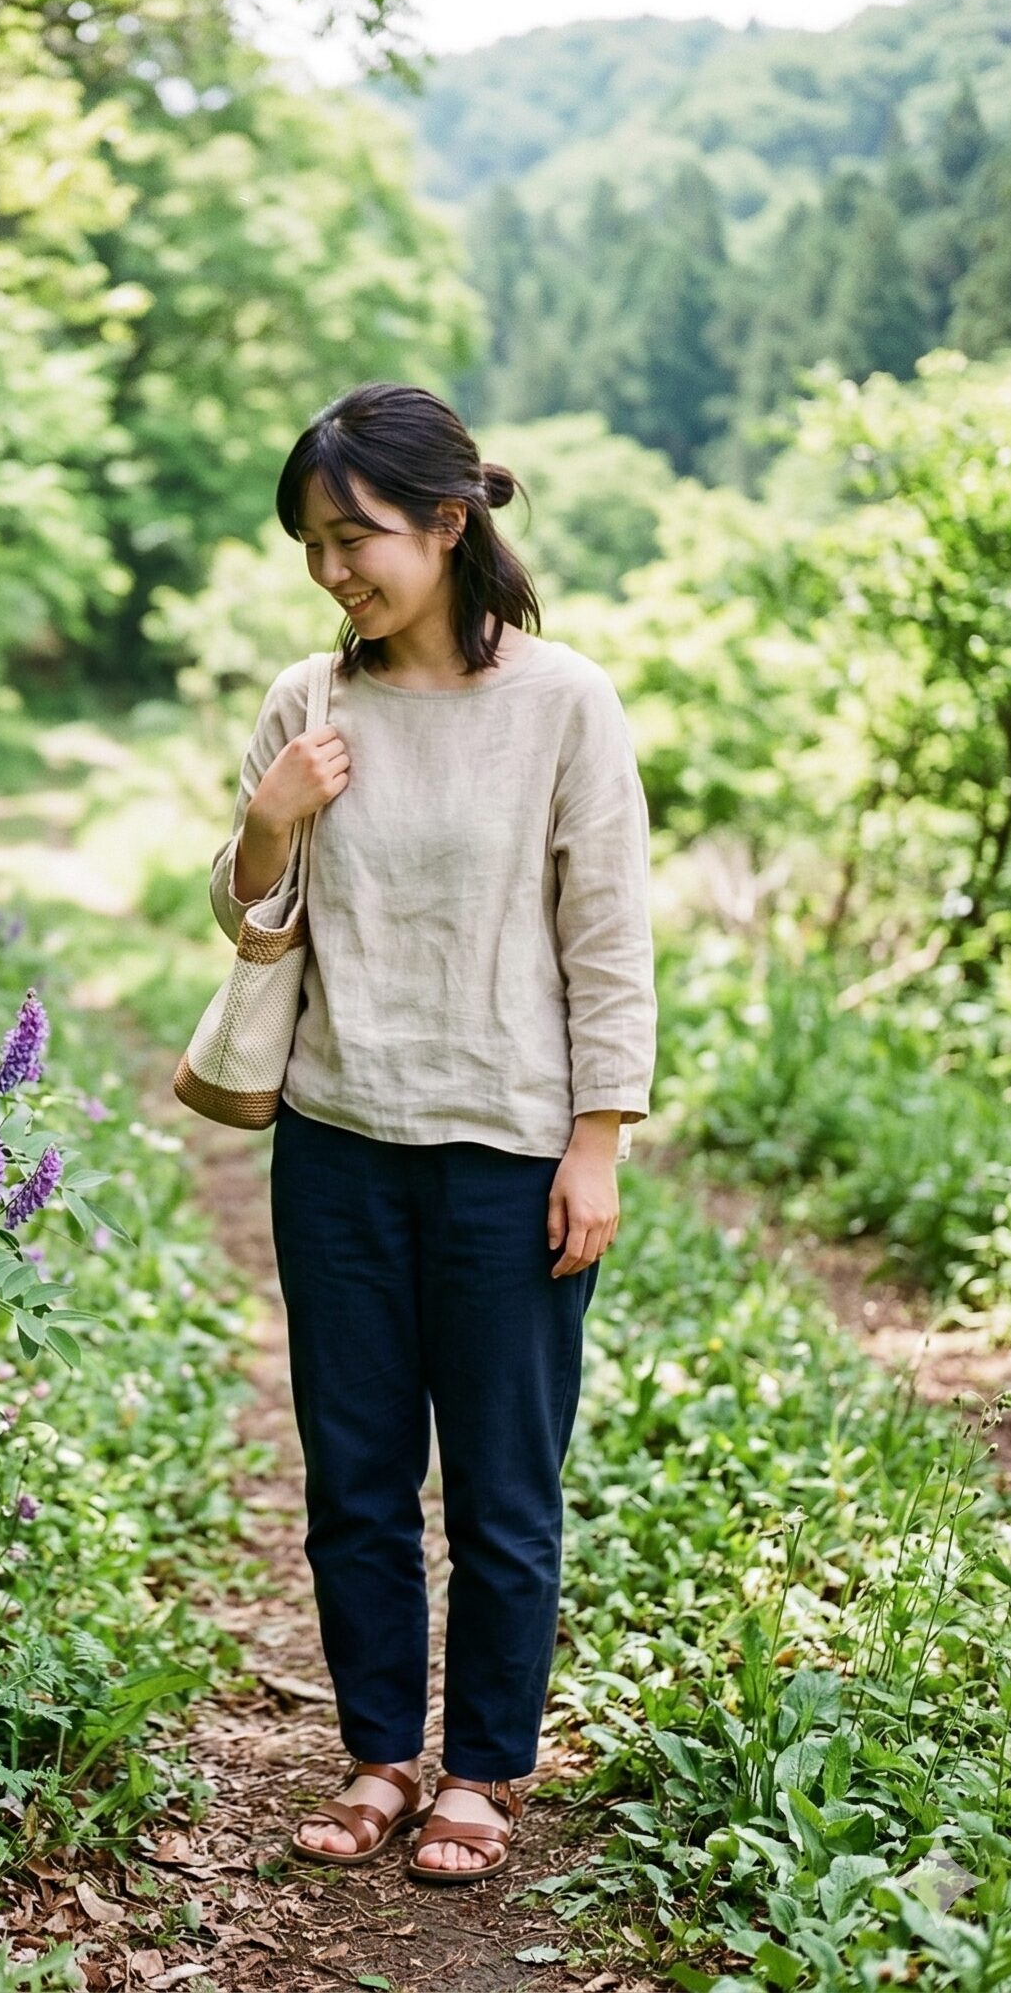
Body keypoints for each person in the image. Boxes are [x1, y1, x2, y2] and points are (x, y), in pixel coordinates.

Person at [206, 382, 657, 1885]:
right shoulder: (308, 704)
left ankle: (483, 1773)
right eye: (314, 546)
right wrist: (269, 825)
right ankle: (380, 1757)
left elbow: (608, 941)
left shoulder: (564, 703)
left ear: (448, 525)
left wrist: (596, 1142)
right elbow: (258, 925)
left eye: (357, 536)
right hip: (335, 1141)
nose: (335, 570)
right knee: (353, 1475)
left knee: (503, 1487)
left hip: (511, 1149)